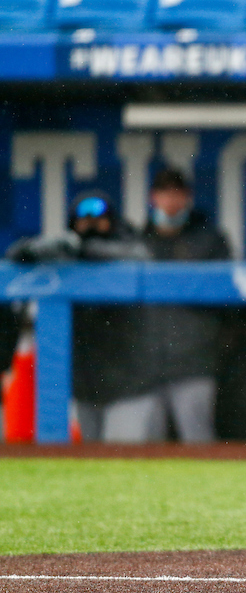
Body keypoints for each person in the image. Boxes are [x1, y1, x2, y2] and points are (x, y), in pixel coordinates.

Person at [6, 190, 153, 442]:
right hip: (86, 384)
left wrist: (83, 248)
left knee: (122, 454)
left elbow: (140, 256)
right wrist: (35, 248)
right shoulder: (67, 250)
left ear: (111, 220)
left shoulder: (128, 244)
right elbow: (14, 256)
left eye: (99, 218)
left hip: (130, 383)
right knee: (90, 455)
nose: (91, 224)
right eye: (84, 220)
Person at [120, 167, 231, 443]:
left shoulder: (209, 241)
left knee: (198, 443)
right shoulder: (137, 244)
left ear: (188, 198)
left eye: (177, 193)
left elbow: (228, 301)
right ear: (153, 198)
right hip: (145, 366)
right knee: (147, 448)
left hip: (193, 363)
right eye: (165, 193)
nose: (171, 201)